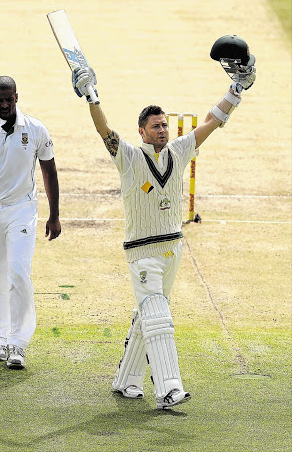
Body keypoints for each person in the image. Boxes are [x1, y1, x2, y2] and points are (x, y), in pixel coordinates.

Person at [71, 36, 256, 409]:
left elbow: (211, 121)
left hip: (173, 247)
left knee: (148, 313)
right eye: (155, 126)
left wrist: (235, 90)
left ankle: (126, 381)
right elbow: (103, 129)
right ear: (141, 131)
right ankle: (169, 387)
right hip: (143, 252)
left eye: (163, 125)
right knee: (158, 315)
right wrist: (91, 94)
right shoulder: (128, 157)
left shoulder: (180, 150)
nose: (162, 130)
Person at [0, 76, 61, 369]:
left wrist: (54, 215)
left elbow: (50, 172)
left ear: (17, 97)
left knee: (18, 271)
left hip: (22, 209)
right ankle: (2, 339)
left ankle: (18, 343)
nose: (5, 104)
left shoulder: (35, 129)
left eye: (9, 99)